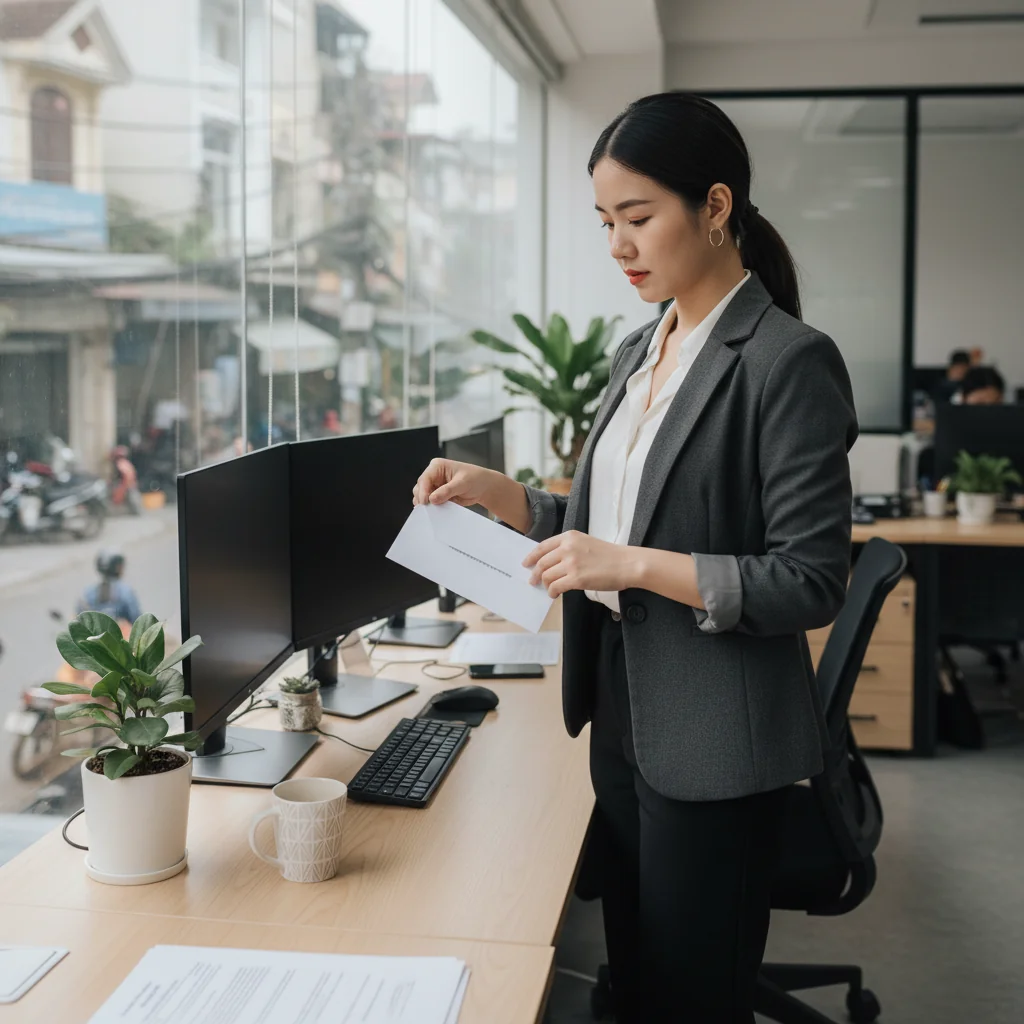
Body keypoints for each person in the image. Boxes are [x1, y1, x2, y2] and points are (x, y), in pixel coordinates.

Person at [413, 92, 857, 1023]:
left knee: (694, 998)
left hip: (715, 733)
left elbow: (810, 578)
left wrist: (634, 566)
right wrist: (513, 501)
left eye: (639, 217)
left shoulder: (786, 361)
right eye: (606, 221)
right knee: (638, 977)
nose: (618, 244)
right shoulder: (639, 346)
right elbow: (615, 517)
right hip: (619, 701)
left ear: (717, 206)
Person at [78, 549, 142, 625]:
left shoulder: (88, 592)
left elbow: (79, 618)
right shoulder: (126, 592)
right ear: (117, 567)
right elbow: (137, 620)